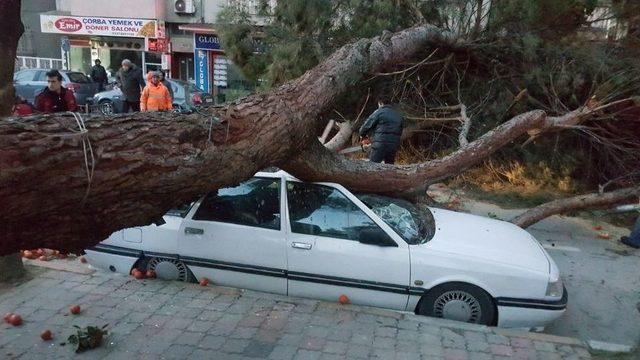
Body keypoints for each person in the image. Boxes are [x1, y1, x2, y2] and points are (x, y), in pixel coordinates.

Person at [358, 95, 404, 164]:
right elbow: (400, 130)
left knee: (372, 167)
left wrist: (363, 136)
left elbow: (366, 126)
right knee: (389, 168)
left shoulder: (379, 112)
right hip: (393, 146)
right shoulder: (399, 115)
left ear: (381, 103)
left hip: (380, 145)